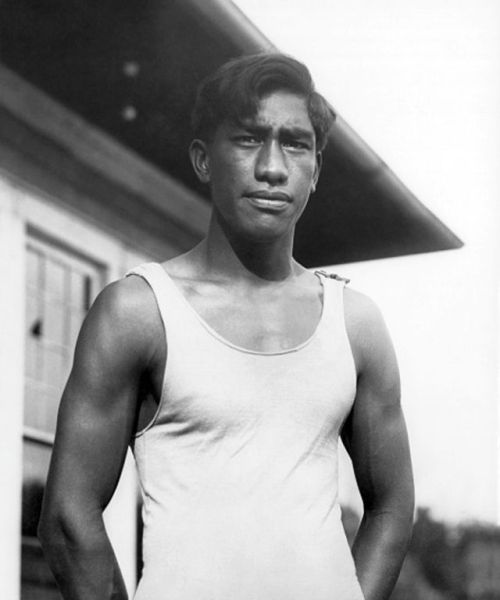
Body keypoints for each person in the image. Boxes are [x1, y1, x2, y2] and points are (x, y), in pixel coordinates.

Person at [39, 53, 414, 600]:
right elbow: (69, 519)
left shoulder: (355, 323)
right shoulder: (139, 312)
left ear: (314, 171)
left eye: (295, 143)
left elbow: (393, 504)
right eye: (247, 139)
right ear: (203, 160)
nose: (272, 167)